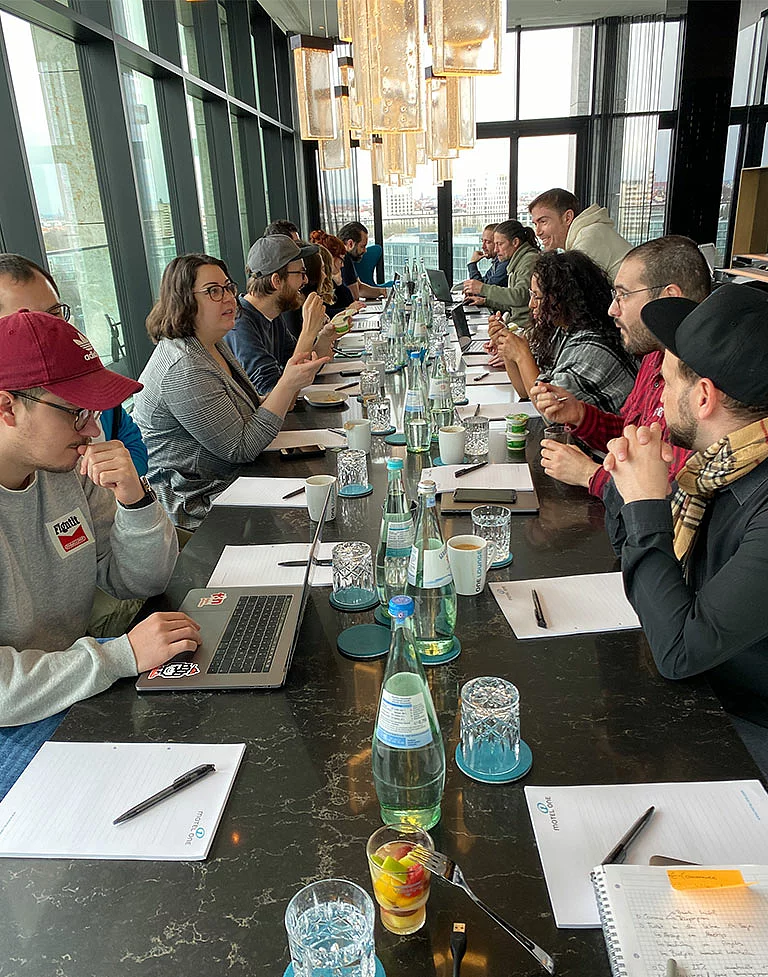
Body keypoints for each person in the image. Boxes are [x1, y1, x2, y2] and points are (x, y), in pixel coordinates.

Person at [0, 308, 192, 730]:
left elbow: (141, 581)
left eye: (93, 412)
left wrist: (134, 500)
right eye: (75, 412)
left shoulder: (64, 469)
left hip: (67, 687)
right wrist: (119, 656)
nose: (92, 430)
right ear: (7, 407)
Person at [602, 284, 768, 771]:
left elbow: (679, 650)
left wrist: (647, 504)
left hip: (744, 722)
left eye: (667, 381)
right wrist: (626, 479)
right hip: (705, 689)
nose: (659, 395)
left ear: (703, 398)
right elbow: (633, 561)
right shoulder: (716, 469)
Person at [133, 253, 328, 529]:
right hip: (197, 505)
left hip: (234, 481)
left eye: (227, 287)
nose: (228, 298)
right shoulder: (184, 367)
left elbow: (249, 409)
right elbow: (241, 447)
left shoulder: (211, 342)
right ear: (184, 300)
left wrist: (289, 379)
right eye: (213, 291)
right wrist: (288, 382)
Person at [535, 236, 712, 497]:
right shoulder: (654, 356)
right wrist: (580, 415)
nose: (612, 309)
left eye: (623, 295)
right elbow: (631, 439)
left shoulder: (701, 379)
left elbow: (668, 492)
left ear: (669, 298)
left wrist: (589, 475)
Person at [0, 253, 147, 475]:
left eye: (55, 313)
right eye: (25, 319)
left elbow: (131, 440)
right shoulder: (28, 436)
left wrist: (119, 481)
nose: (51, 327)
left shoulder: (79, 371)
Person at [489, 250, 637, 412]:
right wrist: (507, 348)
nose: (531, 304)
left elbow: (551, 411)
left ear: (564, 297)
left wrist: (522, 355)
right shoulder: (561, 330)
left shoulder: (592, 345)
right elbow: (524, 391)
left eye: (537, 297)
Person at [225, 236, 335, 396]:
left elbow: (302, 368)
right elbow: (276, 396)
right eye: (301, 273)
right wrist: (308, 331)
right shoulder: (240, 324)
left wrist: (325, 337)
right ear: (276, 281)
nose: (305, 280)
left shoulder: (272, 315)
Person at [528, 188, 631, 281]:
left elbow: (575, 294)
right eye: (535, 224)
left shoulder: (590, 236)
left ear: (567, 218)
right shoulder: (587, 234)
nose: (538, 232)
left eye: (543, 222)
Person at [462, 219, 539, 323]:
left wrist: (482, 288)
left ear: (515, 242)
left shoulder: (529, 260)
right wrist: (486, 301)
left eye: (500, 244)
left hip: (524, 326)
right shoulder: (517, 260)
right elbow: (513, 303)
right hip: (515, 323)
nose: (496, 250)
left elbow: (521, 297)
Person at [309, 229, 363, 318]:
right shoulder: (315, 283)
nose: (342, 265)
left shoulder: (331, 281)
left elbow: (350, 302)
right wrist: (346, 310)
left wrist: (340, 284)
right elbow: (325, 313)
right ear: (331, 258)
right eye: (341, 260)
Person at [337, 221, 388, 301]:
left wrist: (382, 291)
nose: (365, 251)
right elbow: (355, 296)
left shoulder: (345, 256)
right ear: (350, 244)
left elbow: (359, 288)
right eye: (362, 246)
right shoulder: (345, 259)